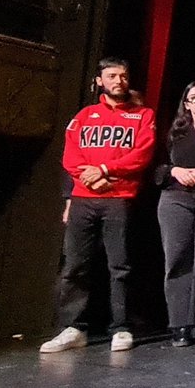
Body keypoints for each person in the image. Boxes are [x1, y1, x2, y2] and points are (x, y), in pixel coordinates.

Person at [41, 58, 156, 354]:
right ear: (100, 81)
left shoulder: (142, 115)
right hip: (84, 199)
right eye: (112, 76)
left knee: (120, 265)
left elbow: (141, 155)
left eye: (123, 75)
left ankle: (121, 327)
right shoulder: (84, 115)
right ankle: (72, 328)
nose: (119, 80)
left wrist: (104, 169)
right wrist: (91, 179)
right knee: (75, 264)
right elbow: (70, 156)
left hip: (119, 199)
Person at [156, 81, 195, 348]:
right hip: (176, 199)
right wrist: (173, 171)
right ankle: (180, 323)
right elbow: (156, 164)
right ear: (186, 104)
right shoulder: (175, 132)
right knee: (178, 259)